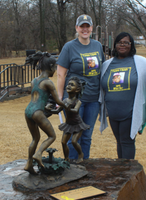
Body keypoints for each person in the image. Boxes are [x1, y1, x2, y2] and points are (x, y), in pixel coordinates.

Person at [56, 14, 105, 160]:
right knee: (72, 135)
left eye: (87, 26)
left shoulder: (97, 46)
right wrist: (60, 97)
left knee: (87, 136)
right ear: (76, 28)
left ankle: (85, 165)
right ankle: (71, 167)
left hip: (93, 99)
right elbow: (61, 74)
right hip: (73, 100)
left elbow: (101, 70)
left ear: (91, 28)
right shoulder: (69, 47)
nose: (85, 29)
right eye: (81, 26)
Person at [99, 32, 146, 159]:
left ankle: (128, 173)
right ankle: (122, 171)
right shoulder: (106, 65)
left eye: (126, 42)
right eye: (120, 42)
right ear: (115, 45)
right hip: (113, 112)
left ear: (132, 45)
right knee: (119, 142)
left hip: (130, 111)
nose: (122, 45)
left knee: (127, 141)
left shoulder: (141, 63)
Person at [24, 52, 67, 175]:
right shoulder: (48, 82)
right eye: (55, 67)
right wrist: (66, 105)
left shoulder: (34, 80)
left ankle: (29, 164)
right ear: (51, 66)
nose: (55, 70)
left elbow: (39, 99)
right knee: (52, 136)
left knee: (35, 138)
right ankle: (38, 154)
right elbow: (58, 100)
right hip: (37, 113)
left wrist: (50, 109)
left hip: (28, 111)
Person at [45, 77, 90, 163]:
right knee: (63, 142)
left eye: (71, 85)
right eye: (68, 84)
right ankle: (66, 158)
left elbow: (76, 110)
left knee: (74, 141)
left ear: (77, 90)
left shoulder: (78, 101)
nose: (68, 86)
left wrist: (67, 107)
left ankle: (80, 155)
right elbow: (57, 111)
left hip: (77, 124)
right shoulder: (65, 101)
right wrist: (48, 110)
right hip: (69, 124)